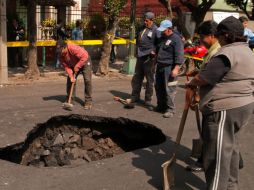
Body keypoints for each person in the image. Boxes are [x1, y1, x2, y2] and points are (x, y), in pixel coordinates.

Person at [186, 16, 254, 190]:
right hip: (243, 105)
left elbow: (205, 78)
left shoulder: (227, 53)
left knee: (216, 155)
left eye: (219, 35)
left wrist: (193, 83)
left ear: (226, 35)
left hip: (225, 108)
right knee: (230, 150)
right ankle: (231, 187)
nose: (218, 38)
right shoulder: (246, 50)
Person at [186, 20, 220, 172]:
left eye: (202, 38)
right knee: (209, 134)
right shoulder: (212, 51)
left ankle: (205, 162)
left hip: (214, 101)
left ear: (212, 35)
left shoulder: (217, 52)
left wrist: (195, 84)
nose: (200, 41)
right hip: (208, 98)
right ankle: (203, 160)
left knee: (211, 136)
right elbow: (208, 71)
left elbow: (210, 78)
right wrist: (197, 72)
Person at [126, 11, 158, 110]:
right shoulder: (141, 28)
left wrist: (154, 51)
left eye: (147, 21)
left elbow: (159, 43)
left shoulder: (156, 30)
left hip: (149, 59)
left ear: (152, 20)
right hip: (140, 56)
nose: (144, 22)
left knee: (149, 80)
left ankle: (148, 100)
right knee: (137, 78)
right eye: (144, 20)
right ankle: (135, 96)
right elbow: (137, 40)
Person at [154, 19, 184, 118]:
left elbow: (179, 54)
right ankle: (161, 106)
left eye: (163, 30)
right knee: (159, 87)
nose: (162, 31)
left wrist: (176, 68)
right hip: (160, 66)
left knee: (169, 89)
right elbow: (158, 51)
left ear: (169, 29)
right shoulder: (162, 38)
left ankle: (170, 109)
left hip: (169, 67)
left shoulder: (176, 39)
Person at [57, 40, 93, 110]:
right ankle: (70, 100)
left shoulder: (72, 48)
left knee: (87, 80)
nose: (60, 53)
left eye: (61, 50)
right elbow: (66, 67)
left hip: (85, 61)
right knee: (71, 81)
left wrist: (77, 66)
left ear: (65, 47)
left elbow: (85, 56)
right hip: (73, 64)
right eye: (58, 51)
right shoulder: (60, 55)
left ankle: (88, 102)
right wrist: (71, 76)